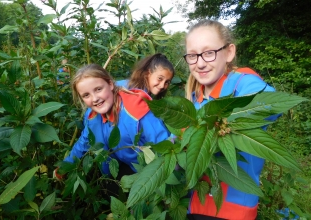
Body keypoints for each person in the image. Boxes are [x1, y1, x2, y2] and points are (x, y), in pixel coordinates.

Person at [184, 20, 277, 220]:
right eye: (192, 55)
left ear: (229, 52)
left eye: (209, 53)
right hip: (196, 204)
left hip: (234, 208)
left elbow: (270, 104)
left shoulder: (241, 83)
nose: (200, 63)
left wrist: (218, 123)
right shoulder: (193, 99)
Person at [55, 63, 170, 181]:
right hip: (116, 169)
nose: (95, 99)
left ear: (110, 84)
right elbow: (85, 140)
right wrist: (65, 166)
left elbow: (164, 145)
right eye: (86, 95)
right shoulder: (92, 116)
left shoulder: (136, 110)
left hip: (147, 172)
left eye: (98, 89)